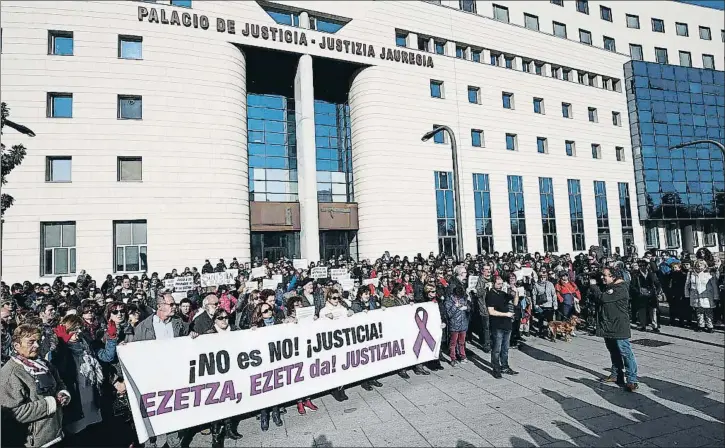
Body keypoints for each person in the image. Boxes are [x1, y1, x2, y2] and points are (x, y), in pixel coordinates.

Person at [0, 324, 71, 447]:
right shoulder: (11, 373)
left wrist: (62, 393)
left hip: (57, 434)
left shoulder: (44, 364)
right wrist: (51, 403)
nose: (37, 346)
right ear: (17, 346)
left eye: (38, 341)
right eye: (31, 342)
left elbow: (59, 383)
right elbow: (12, 413)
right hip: (35, 443)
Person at [52, 314, 117, 443]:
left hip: (93, 399)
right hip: (76, 405)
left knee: (96, 437)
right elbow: (62, 369)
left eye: (80, 328)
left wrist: (111, 338)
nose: (78, 332)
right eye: (74, 330)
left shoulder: (88, 346)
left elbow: (107, 357)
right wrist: (63, 344)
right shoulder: (57, 352)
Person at [590, 266, 639, 392]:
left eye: (605, 275)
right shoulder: (609, 287)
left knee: (625, 352)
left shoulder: (620, 288)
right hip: (609, 325)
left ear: (613, 276)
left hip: (619, 326)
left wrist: (594, 286)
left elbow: (603, 298)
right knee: (614, 352)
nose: (602, 278)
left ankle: (632, 380)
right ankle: (616, 375)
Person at [250, 303, 283, 431]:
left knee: (275, 386)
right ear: (259, 314)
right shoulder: (256, 327)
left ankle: (276, 412)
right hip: (262, 361)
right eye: (265, 311)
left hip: (276, 358)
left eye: (270, 309)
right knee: (264, 387)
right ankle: (264, 415)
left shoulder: (278, 322)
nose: (269, 312)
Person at [486, 276, 518, 379]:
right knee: (496, 349)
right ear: (493, 284)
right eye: (498, 284)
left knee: (505, 348)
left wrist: (515, 291)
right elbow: (491, 311)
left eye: (501, 284)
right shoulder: (490, 295)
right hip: (497, 325)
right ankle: (496, 369)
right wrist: (506, 315)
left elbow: (515, 302)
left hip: (507, 325)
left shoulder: (503, 294)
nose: (500, 286)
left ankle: (505, 366)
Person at [685, 260, 718, 333]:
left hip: (707, 295)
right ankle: (701, 326)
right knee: (699, 311)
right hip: (696, 295)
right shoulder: (691, 273)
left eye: (701, 264)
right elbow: (687, 284)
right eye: (698, 264)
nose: (699, 266)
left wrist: (716, 296)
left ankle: (710, 326)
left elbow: (714, 286)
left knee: (708, 312)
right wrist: (687, 294)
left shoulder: (709, 273)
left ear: (705, 265)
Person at [630, 259, 662, 333]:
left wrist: (656, 292)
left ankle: (655, 326)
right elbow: (632, 286)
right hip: (641, 295)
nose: (642, 267)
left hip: (651, 294)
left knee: (653, 311)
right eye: (640, 266)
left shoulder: (651, 273)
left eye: (644, 265)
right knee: (642, 311)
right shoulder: (635, 274)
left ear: (647, 266)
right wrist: (638, 291)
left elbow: (658, 284)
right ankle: (643, 325)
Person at [445, 284, 469, 366]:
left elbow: (469, 307)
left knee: (462, 342)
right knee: (453, 343)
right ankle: (453, 358)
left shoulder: (463, 298)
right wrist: (455, 307)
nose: (459, 297)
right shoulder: (449, 301)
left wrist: (466, 308)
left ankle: (463, 356)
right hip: (454, 324)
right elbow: (448, 314)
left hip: (463, 323)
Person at [532, 267, 557, 338]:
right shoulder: (536, 285)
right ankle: (541, 332)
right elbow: (534, 295)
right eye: (541, 277)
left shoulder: (550, 284)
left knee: (550, 321)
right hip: (541, 305)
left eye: (544, 277)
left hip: (549, 305)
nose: (543, 278)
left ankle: (552, 334)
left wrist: (555, 305)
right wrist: (535, 305)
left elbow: (554, 295)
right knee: (541, 320)